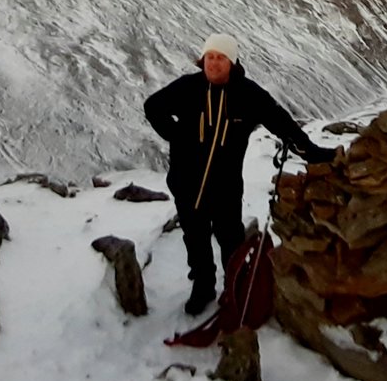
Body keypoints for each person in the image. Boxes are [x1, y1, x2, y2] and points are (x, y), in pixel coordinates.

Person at [144, 32, 337, 315]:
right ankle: (203, 286)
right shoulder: (188, 88)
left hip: (225, 185)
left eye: (220, 58)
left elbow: (281, 122)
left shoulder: (248, 95)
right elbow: (153, 107)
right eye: (209, 57)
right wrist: (175, 135)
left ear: (232, 62)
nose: (214, 63)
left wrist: (312, 152)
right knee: (194, 236)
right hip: (186, 182)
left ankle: (236, 285)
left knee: (230, 238)